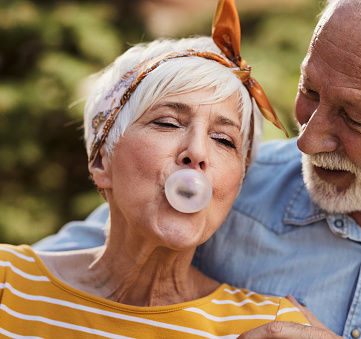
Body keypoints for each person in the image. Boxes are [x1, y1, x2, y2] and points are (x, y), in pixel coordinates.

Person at [33, 0, 361, 338]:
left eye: (357, 117)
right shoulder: (237, 180)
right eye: (312, 92)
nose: (306, 139)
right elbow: (76, 275)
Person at [0, 0, 311, 337]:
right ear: (102, 161)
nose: (197, 151)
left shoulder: (272, 326)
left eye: (223, 139)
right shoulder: (8, 281)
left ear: (235, 186)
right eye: (167, 123)